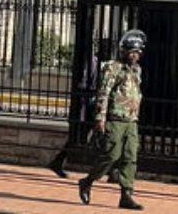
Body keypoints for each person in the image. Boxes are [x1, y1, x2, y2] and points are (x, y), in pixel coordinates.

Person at [78, 29, 147, 211]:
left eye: (138, 52)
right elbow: (104, 93)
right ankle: (88, 181)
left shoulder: (137, 70)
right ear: (124, 51)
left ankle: (126, 194)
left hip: (131, 121)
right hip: (115, 119)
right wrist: (100, 118)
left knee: (130, 158)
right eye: (132, 52)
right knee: (111, 155)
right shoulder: (113, 68)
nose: (135, 56)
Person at [48, 38, 116, 178]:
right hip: (91, 104)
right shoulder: (94, 61)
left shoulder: (109, 64)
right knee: (84, 136)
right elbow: (85, 82)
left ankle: (111, 171)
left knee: (101, 137)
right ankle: (111, 171)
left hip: (99, 104)